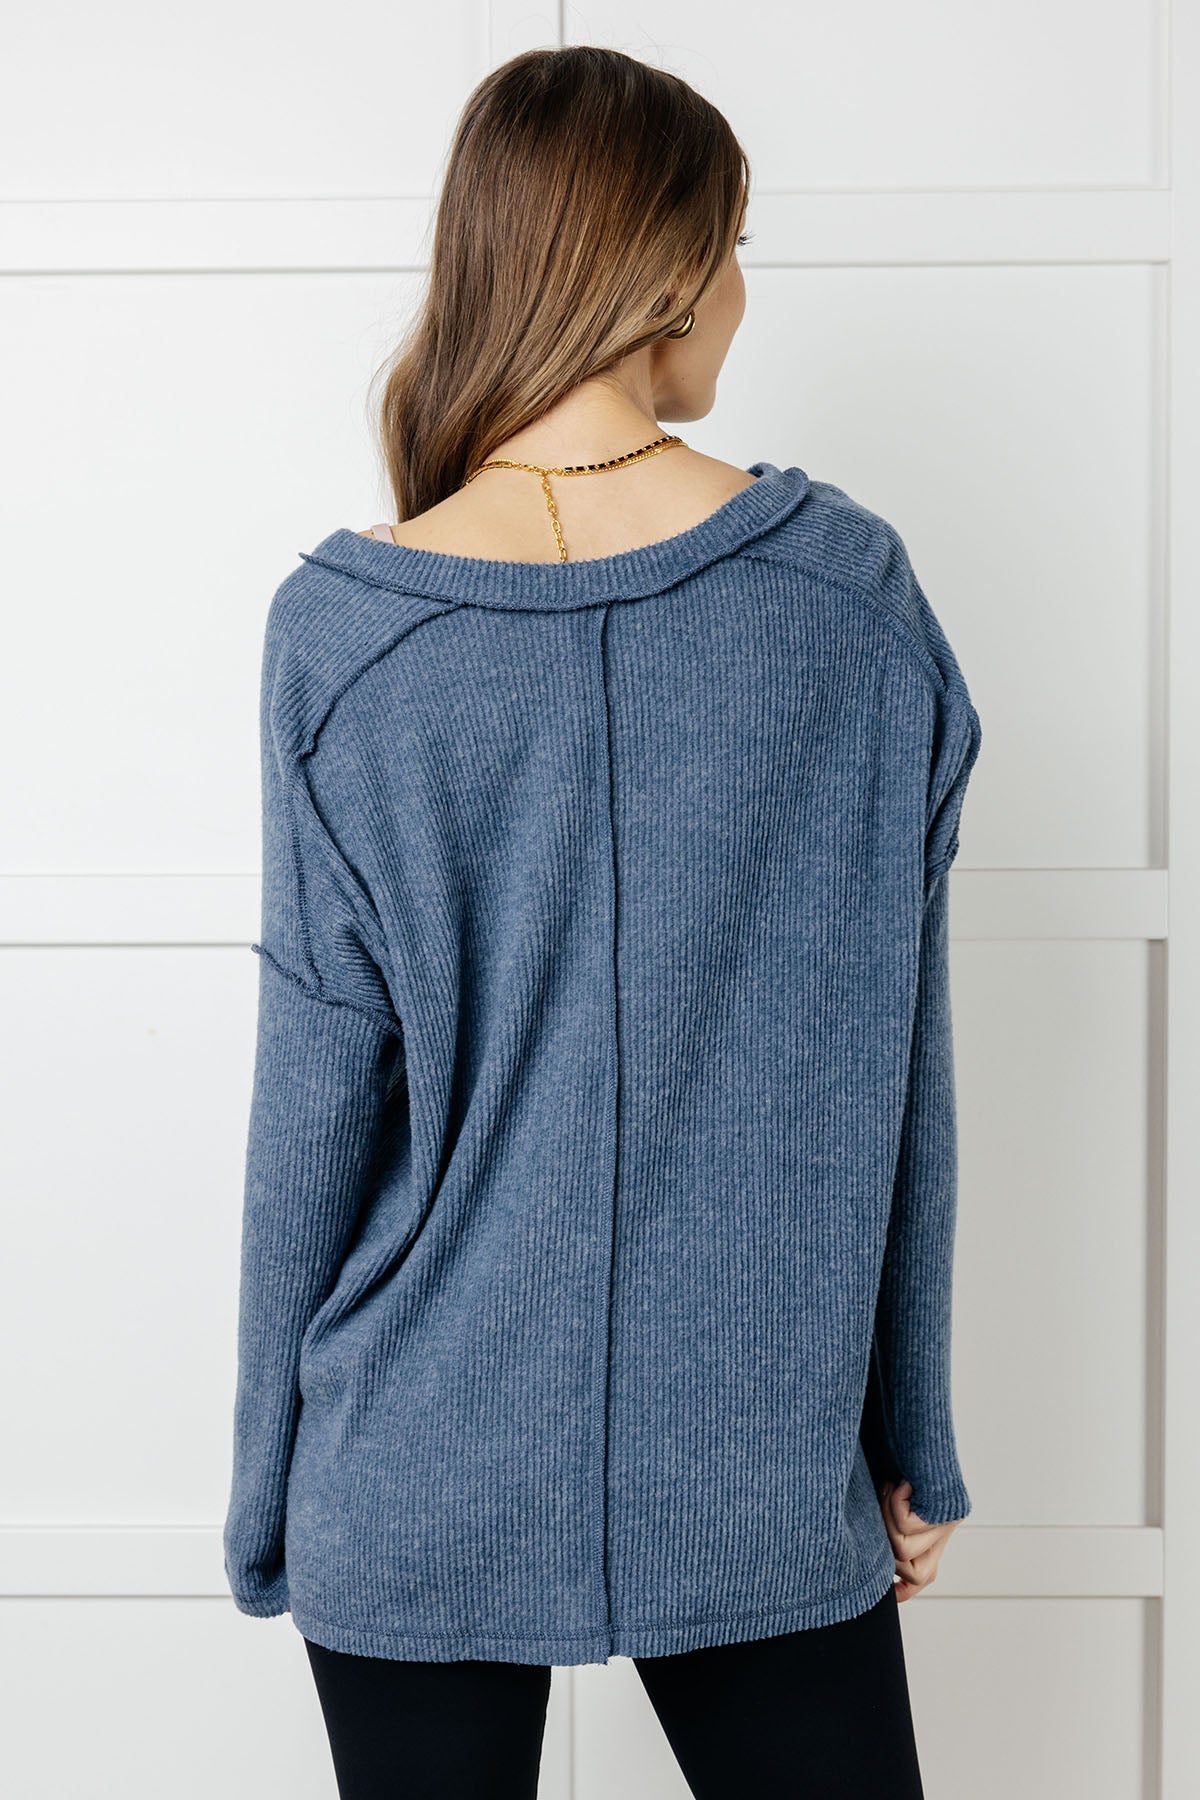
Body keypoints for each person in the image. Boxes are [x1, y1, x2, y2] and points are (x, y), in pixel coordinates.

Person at [223, 43, 982, 1800]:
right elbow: (898, 1069)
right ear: (663, 264)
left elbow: (312, 1117)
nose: (742, 291)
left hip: (407, 1466)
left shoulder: (346, 637)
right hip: (762, 1465)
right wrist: (912, 1431)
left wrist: (269, 1486)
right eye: (733, 244)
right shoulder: (850, 602)